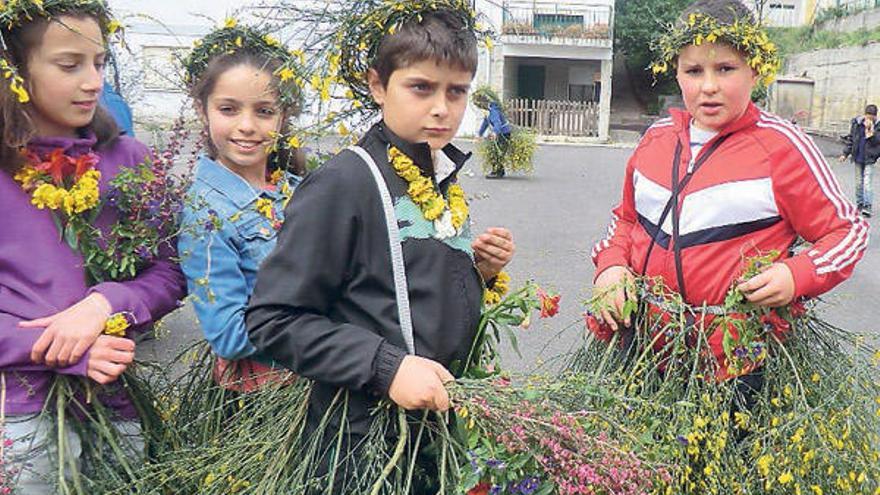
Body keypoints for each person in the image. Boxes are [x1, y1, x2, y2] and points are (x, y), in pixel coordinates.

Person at [245, 2, 515, 491]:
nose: (441, 107)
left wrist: (479, 272)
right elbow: (273, 320)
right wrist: (385, 366)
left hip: (428, 436)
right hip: (363, 445)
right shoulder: (343, 183)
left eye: (457, 92)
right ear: (377, 85)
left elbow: (397, 284)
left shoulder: (435, 172)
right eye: (421, 87)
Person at [590, 0, 868, 383]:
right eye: (693, 70)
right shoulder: (655, 140)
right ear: (676, 72)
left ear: (755, 70)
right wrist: (611, 267)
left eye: (725, 69)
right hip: (643, 352)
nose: (708, 87)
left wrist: (797, 274)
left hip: (736, 366)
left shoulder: (782, 147)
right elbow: (625, 221)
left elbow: (848, 232)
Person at [0, 2, 185, 492]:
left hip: (117, 405)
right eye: (69, 65)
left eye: (100, 63)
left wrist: (105, 303)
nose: (93, 81)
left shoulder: (132, 161)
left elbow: (170, 271)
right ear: (14, 69)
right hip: (22, 415)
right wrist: (65, 351)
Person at [177, 23, 304, 392]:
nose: (247, 126)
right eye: (229, 109)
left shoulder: (297, 190)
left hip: (317, 383)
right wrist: (320, 321)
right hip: (264, 401)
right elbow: (229, 335)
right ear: (203, 110)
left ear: (283, 116)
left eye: (264, 111)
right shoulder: (206, 212)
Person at [839, 104, 880, 217]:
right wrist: (845, 153)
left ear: (875, 117)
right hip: (858, 156)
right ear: (865, 115)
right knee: (858, 183)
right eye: (868, 116)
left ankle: (867, 206)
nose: (869, 119)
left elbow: (877, 142)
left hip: (870, 158)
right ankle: (860, 203)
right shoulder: (856, 123)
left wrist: (871, 131)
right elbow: (851, 139)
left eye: (872, 118)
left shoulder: (878, 126)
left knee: (867, 183)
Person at [474, 87, 512, 178]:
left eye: (479, 104)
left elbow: (497, 123)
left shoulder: (494, 110)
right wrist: (479, 134)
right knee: (495, 151)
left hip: (504, 133)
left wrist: (495, 132)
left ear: (484, 102)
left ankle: (498, 172)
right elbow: (485, 122)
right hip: (499, 133)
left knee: (497, 152)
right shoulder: (488, 111)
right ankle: (499, 171)